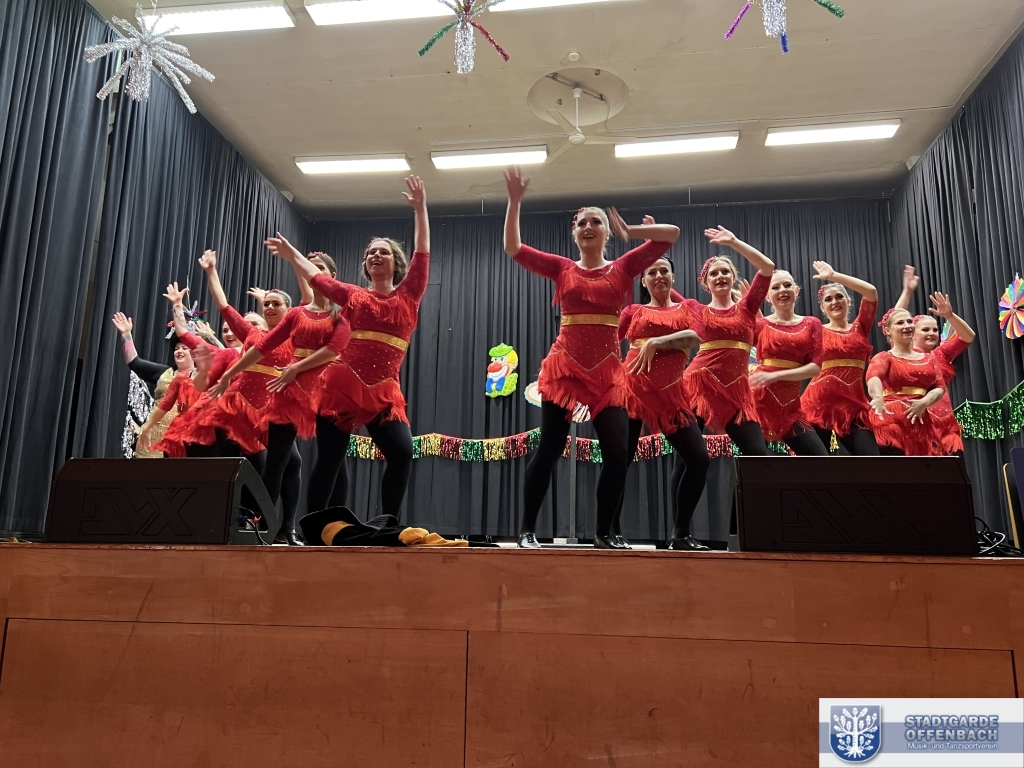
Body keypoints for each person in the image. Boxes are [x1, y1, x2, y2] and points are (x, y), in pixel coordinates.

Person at [503, 166, 681, 549]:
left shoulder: (624, 267)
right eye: (582, 222)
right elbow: (514, 248)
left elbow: (671, 234)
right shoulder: (562, 267)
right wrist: (515, 201)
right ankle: (527, 530)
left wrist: (633, 231)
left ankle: (603, 533)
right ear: (575, 233)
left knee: (617, 453)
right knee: (550, 448)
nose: (588, 226)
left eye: (596, 221)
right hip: (564, 369)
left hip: (607, 374)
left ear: (605, 232)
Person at [267, 176, 430, 517]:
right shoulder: (354, 295)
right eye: (370, 253)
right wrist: (293, 254)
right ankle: (313, 527)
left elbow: (422, 253)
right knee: (330, 459)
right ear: (366, 265)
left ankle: (389, 522)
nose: (375, 255)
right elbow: (319, 278)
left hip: (384, 391)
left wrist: (420, 209)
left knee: (402, 453)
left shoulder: (410, 294)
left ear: (396, 263)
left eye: (383, 251)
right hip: (342, 387)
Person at [213, 252, 349, 544]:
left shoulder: (340, 313)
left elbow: (333, 346)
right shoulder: (289, 320)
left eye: (276, 304)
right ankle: (265, 527)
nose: (270, 308)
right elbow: (256, 341)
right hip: (280, 395)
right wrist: (229, 374)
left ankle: (319, 528)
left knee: (331, 462)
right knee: (276, 463)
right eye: (267, 305)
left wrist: (295, 260)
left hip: (325, 389)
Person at [618, 254, 708, 550]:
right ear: (643, 281)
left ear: (673, 277)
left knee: (698, 459)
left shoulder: (689, 307)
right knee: (619, 462)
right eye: (652, 272)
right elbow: (608, 342)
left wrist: (657, 342)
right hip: (631, 391)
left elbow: (697, 336)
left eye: (664, 271)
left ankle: (680, 534)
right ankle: (609, 531)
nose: (658, 276)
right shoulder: (633, 311)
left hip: (672, 396)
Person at [680, 227, 774, 454]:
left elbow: (767, 268)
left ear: (733, 277)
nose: (720, 276)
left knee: (759, 457)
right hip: (698, 386)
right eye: (714, 274)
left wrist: (734, 242)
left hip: (736, 391)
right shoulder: (698, 310)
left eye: (725, 272)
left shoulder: (748, 307)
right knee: (690, 461)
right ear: (706, 283)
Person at [800, 261, 880, 455]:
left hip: (854, 407)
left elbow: (871, 292)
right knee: (820, 464)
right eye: (828, 299)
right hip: (817, 405)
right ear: (823, 307)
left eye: (839, 297)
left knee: (872, 461)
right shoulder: (815, 331)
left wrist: (833, 276)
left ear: (848, 301)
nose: (834, 302)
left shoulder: (860, 328)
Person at [895, 266, 976, 454]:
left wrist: (949, 315)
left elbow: (968, 336)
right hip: (916, 426)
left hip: (946, 429)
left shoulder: (940, 354)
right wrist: (907, 291)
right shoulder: (902, 354)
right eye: (925, 330)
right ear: (912, 333)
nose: (932, 333)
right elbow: (894, 319)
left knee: (954, 472)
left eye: (934, 330)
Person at [750, 270, 828, 454]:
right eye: (775, 287)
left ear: (797, 290)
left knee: (821, 460)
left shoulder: (811, 323)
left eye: (787, 285)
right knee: (758, 465)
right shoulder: (760, 325)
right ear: (767, 296)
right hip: (759, 402)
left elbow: (815, 368)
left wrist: (775, 376)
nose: (782, 290)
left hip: (790, 408)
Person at [866, 308, 946, 455]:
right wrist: (877, 397)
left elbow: (939, 387)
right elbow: (873, 378)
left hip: (919, 420)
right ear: (888, 331)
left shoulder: (930, 359)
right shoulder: (884, 357)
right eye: (900, 323)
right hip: (891, 420)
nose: (907, 325)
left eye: (909, 321)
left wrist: (924, 402)